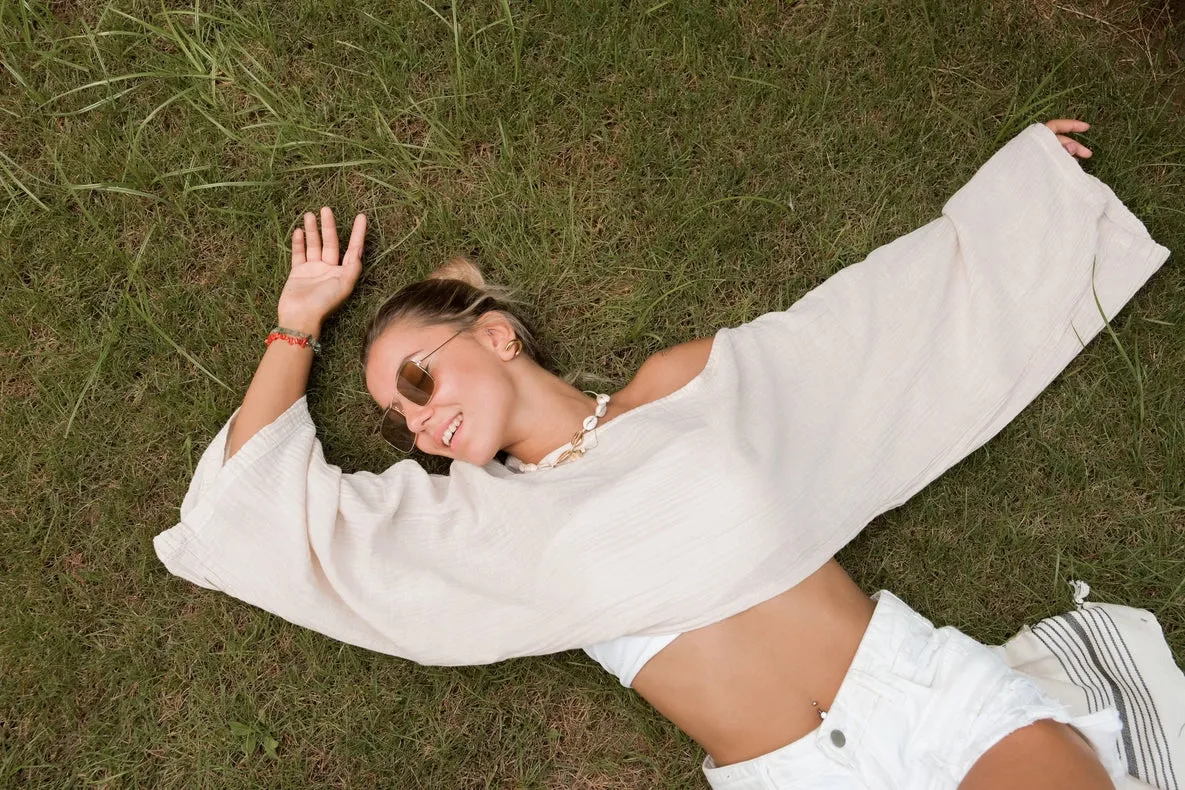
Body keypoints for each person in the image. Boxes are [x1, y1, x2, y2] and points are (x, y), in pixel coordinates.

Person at [155, 119, 1170, 789]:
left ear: (495, 335)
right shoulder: (478, 531)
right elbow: (259, 512)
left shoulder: (679, 390)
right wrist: (296, 327)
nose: (416, 423)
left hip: (925, 695)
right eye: (396, 422)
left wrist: (1020, 206)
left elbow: (861, 339)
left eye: (417, 379)